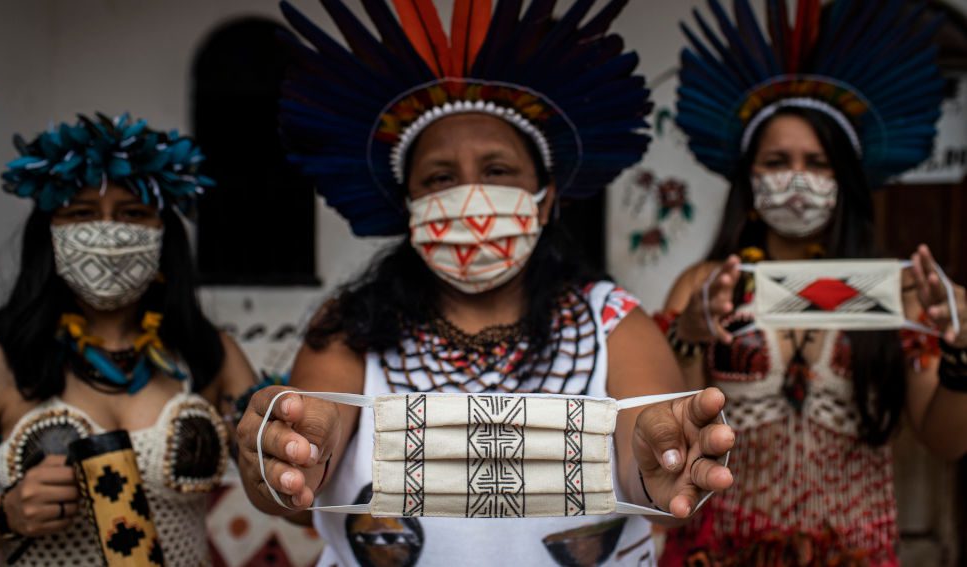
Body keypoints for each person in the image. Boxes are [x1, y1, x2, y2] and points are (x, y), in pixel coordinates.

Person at [234, 1, 735, 566]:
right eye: (440, 178)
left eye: (497, 171)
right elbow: (296, 489)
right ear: (410, 207)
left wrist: (657, 461)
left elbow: (646, 462)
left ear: (545, 201)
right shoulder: (349, 328)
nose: (470, 200)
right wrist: (283, 458)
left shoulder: (613, 321)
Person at [657, 1, 967, 564]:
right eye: (777, 160)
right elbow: (670, 439)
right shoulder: (705, 286)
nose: (796, 177)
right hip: (722, 550)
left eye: (817, 162)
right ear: (749, 178)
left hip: (854, 550)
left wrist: (962, 355)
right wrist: (688, 333)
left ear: (843, 180)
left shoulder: (895, 290)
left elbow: (947, 439)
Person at [0, 113, 257, 565]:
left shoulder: (208, 354)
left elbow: (288, 499)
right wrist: (6, 514)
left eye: (133, 214)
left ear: (164, 235)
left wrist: (286, 442)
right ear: (50, 234)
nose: (109, 231)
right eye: (82, 213)